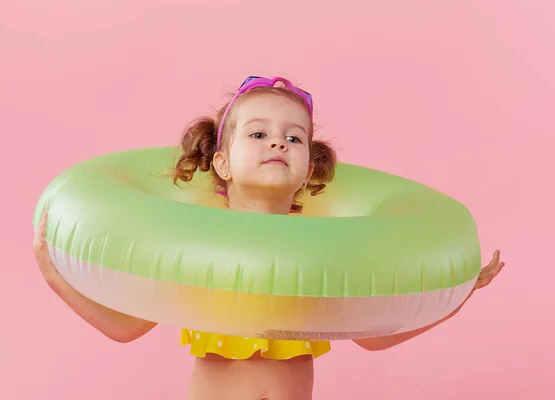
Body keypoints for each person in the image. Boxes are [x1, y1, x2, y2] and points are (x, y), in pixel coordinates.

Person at [32, 76, 506, 400]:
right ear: (221, 163)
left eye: (294, 138)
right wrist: (55, 276)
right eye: (258, 134)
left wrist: (457, 293)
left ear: (307, 173)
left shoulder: (324, 251)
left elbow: (374, 338)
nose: (278, 143)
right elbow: (127, 328)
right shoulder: (195, 245)